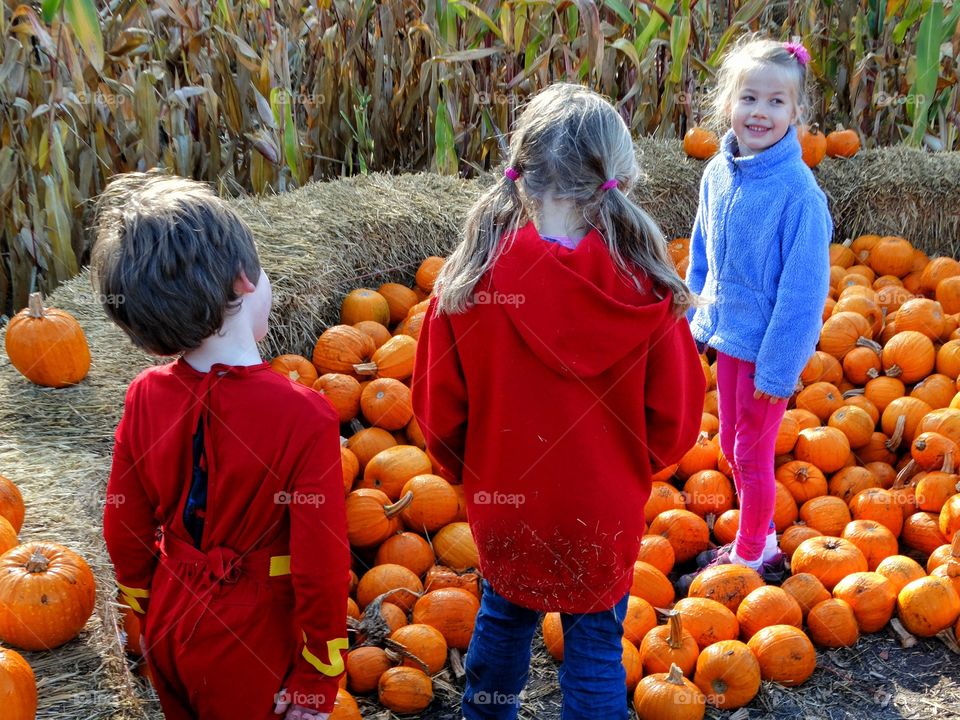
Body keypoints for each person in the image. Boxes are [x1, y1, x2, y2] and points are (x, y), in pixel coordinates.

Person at [411, 83, 705, 720]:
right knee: (596, 646)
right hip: (600, 509)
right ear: (616, 177)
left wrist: (468, 473)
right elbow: (676, 421)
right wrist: (625, 464)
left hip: (504, 500)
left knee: (501, 622)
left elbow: (438, 412)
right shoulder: (646, 290)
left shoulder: (468, 284)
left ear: (521, 173)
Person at [93, 173, 349, 720]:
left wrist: (140, 605)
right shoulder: (306, 417)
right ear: (243, 281)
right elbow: (320, 568)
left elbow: (125, 526)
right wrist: (319, 671)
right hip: (255, 643)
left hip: (169, 619)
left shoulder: (143, 396)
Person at [684, 37, 833, 581]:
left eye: (776, 102)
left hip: (769, 351)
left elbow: (803, 295)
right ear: (729, 104)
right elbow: (702, 253)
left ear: (796, 113)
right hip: (728, 340)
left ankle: (752, 553)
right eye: (749, 98)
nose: (760, 112)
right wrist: (695, 319)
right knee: (729, 443)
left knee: (750, 450)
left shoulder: (799, 196)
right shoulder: (718, 173)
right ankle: (763, 532)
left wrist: (778, 370)